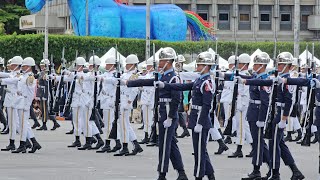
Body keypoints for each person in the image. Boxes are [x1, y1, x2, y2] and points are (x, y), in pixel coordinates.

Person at [126, 47, 188, 180]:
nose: (159, 63)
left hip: (168, 113)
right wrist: (129, 83)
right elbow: (146, 82)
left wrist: (171, 117)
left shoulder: (173, 78)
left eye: (161, 61)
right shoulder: (163, 76)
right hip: (162, 111)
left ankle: (162, 174)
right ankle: (181, 173)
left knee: (164, 145)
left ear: (168, 62)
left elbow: (177, 99)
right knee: (171, 144)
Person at [243, 52, 305, 180]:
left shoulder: (288, 79)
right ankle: (295, 171)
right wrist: (244, 80)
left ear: (288, 65)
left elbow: (288, 100)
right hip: (275, 112)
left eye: (281, 64)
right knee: (280, 144)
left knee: (273, 144)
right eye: (278, 63)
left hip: (280, 114)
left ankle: (275, 174)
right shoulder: (278, 77)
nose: (279, 66)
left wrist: (283, 119)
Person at [156, 51, 216, 180]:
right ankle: (210, 175)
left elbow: (206, 105)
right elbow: (182, 86)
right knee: (200, 150)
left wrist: (200, 123)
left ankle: (198, 176)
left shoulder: (207, 82)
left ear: (206, 66)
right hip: (195, 118)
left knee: (199, 151)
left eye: (199, 65)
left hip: (201, 119)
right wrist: (165, 85)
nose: (197, 67)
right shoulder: (199, 80)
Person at [11, 57, 42, 153]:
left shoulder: (30, 78)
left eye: (24, 66)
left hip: (24, 104)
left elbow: (29, 92)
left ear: (28, 66)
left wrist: (27, 104)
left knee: (23, 126)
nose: (22, 67)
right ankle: (33, 143)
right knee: (23, 125)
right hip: (20, 102)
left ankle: (22, 144)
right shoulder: (24, 76)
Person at [227, 53, 253, 158]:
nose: (238, 65)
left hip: (242, 105)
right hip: (238, 103)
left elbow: (246, 92)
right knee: (244, 127)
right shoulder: (239, 74)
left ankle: (239, 149)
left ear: (245, 64)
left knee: (241, 127)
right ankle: (254, 147)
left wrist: (241, 105)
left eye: (240, 63)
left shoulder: (246, 75)